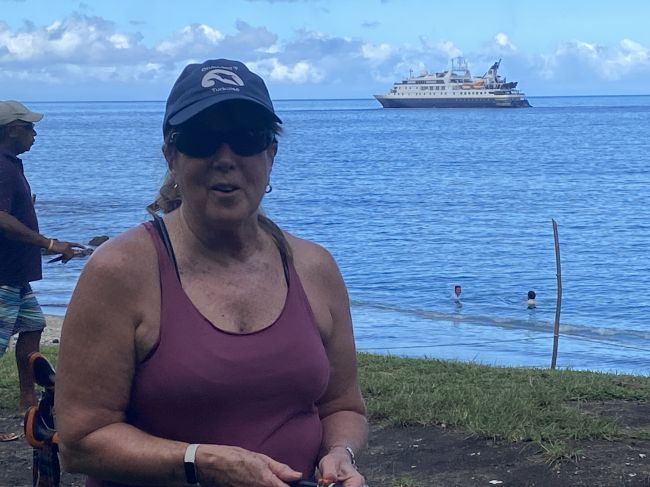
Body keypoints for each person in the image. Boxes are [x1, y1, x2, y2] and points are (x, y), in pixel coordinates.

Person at [55, 59, 368, 487]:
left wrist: (339, 454)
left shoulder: (315, 268)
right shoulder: (119, 271)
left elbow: (343, 406)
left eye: (246, 138)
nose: (225, 158)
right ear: (171, 155)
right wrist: (199, 461)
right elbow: (80, 441)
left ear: (270, 154)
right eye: (203, 139)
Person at [0, 101, 84, 442]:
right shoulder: (2, 168)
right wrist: (48, 244)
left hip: (17, 276)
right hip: (3, 276)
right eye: (29, 127)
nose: (35, 133)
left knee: (34, 327)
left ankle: (27, 402)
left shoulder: (11, 166)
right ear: (11, 130)